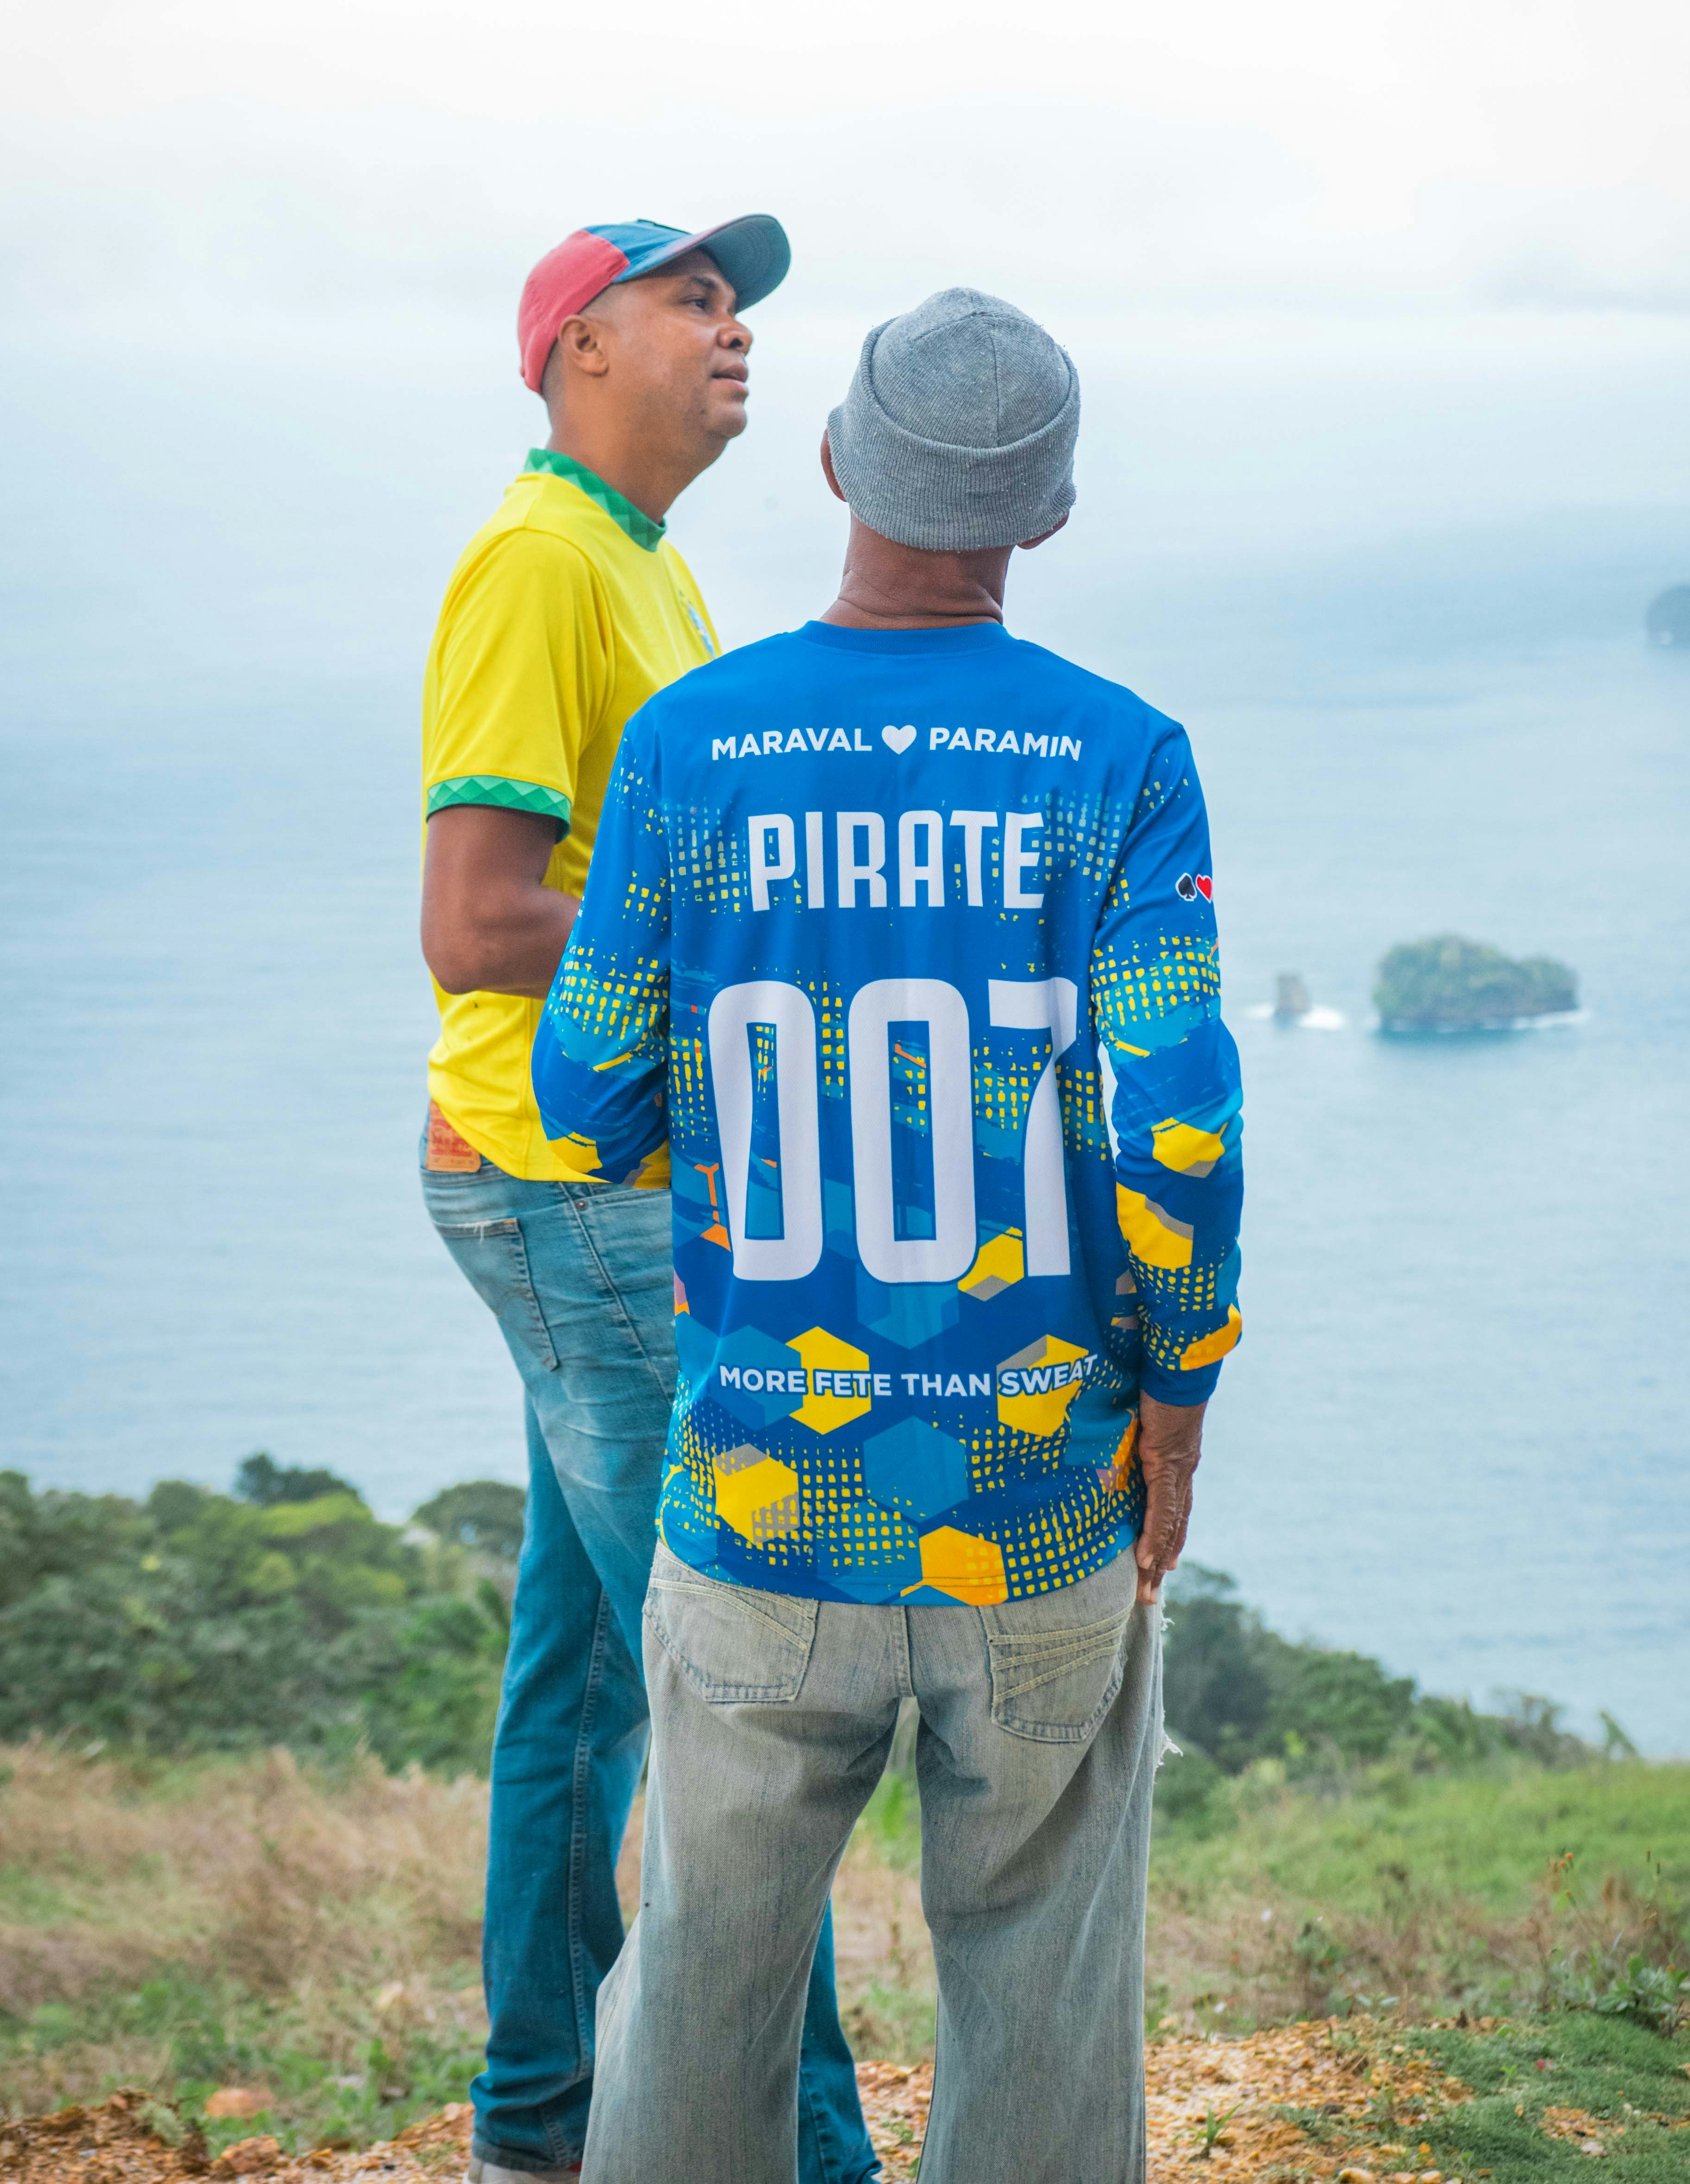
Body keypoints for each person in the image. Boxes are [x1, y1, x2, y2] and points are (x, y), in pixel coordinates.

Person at [530, 286, 1247, 2184]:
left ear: (839, 462)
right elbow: (1172, 1121)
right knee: (1039, 1976)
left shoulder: (692, 746)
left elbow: (584, 1095)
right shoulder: (1121, 757)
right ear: (1050, 513)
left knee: (697, 1974)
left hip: (766, 1490)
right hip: (1035, 1502)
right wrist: (1174, 1401)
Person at [417, 217, 875, 2184]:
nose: (735, 327)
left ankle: (537, 2124)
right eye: (691, 297)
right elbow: (477, 918)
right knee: (737, 1692)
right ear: (576, 346)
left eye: (736, 298)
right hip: (571, 1188)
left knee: (591, 1685)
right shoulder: (539, 562)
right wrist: (755, 961)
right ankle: (817, 2154)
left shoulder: (641, 562)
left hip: (577, 1189)